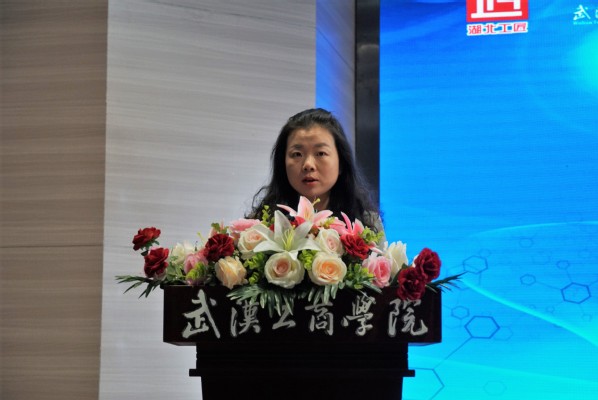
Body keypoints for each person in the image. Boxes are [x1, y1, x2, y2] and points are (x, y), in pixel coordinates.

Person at [248, 108, 383, 232]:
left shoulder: (367, 223)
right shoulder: (261, 224)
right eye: (297, 154)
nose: (308, 164)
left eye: (320, 153)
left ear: (341, 163)